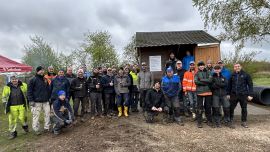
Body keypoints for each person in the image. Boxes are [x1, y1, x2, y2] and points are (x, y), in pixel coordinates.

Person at [228, 63, 253, 128]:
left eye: (238, 66)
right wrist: (228, 94)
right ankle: (230, 121)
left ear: (241, 67)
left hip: (243, 94)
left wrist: (250, 95)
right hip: (234, 94)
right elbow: (229, 85)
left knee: (244, 108)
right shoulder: (232, 75)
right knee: (231, 108)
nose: (237, 67)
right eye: (235, 66)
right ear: (234, 68)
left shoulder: (246, 75)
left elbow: (250, 85)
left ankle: (244, 121)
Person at [27, 66, 51, 135]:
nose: (42, 71)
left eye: (43, 70)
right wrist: (31, 100)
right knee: (36, 116)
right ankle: (36, 129)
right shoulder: (32, 80)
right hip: (36, 102)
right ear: (37, 71)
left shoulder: (45, 79)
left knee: (47, 114)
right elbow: (29, 91)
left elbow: (48, 89)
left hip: (46, 101)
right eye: (41, 70)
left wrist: (49, 98)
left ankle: (47, 127)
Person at [195, 61, 213, 128]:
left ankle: (209, 120)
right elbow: (196, 81)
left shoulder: (208, 72)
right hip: (199, 92)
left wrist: (201, 80)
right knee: (199, 107)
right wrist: (206, 82)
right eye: (200, 65)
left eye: (202, 65)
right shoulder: (197, 73)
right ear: (198, 67)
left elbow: (210, 80)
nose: (201, 66)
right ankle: (199, 122)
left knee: (208, 107)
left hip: (208, 92)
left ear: (204, 65)